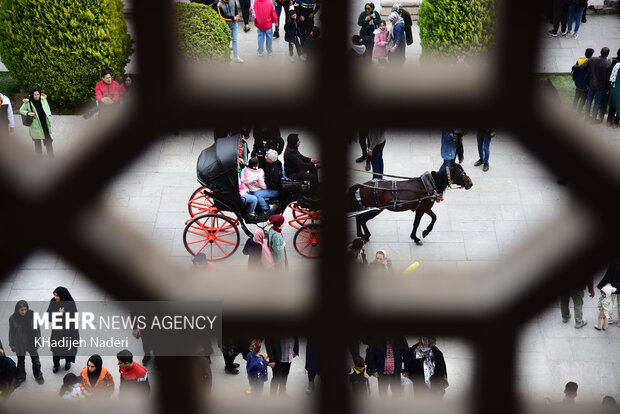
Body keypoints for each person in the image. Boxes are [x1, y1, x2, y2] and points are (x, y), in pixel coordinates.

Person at [573, 47, 612, 123]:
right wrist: (608, 88)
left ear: (600, 52)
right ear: (607, 54)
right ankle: (593, 119)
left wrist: (574, 67)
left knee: (589, 101)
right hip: (600, 88)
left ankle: (587, 117)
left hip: (591, 85)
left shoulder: (592, 59)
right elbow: (608, 78)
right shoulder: (608, 64)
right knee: (597, 103)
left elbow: (582, 67)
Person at [8, 300, 44, 386]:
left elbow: (37, 329)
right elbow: (11, 332)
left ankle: (38, 375)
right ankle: (21, 377)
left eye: (25, 309)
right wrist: (12, 344)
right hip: (20, 343)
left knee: (36, 361)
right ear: (17, 310)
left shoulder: (33, 315)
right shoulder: (12, 318)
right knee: (20, 361)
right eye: (21, 310)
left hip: (31, 341)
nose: (24, 312)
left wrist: (38, 341)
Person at [46, 287, 79, 372]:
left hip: (69, 331)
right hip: (57, 331)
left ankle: (68, 362)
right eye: (55, 295)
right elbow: (49, 317)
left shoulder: (70, 303)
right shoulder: (53, 302)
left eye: (57, 295)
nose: (55, 297)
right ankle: (56, 364)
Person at [19, 87, 54, 158]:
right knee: (37, 141)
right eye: (35, 95)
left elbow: (48, 108)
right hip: (35, 125)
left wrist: (49, 116)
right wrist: (28, 113)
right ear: (32, 95)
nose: (37, 96)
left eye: (38, 94)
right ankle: (38, 155)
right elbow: (21, 110)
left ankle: (51, 154)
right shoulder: (28, 102)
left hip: (44, 122)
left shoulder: (43, 100)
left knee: (48, 139)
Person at [597, 260, 620, 325]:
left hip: (612, 286)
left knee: (610, 302)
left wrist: (601, 284)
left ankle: (609, 318)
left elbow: (608, 274)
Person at [572, 48, 594, 113]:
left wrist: (575, 80)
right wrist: (587, 85)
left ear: (585, 53)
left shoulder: (579, 60)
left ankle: (572, 110)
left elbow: (575, 71)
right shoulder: (589, 63)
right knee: (583, 99)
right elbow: (587, 75)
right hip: (584, 85)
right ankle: (578, 112)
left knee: (576, 97)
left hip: (577, 82)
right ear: (591, 55)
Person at [607, 57, 620, 128]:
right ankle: (615, 123)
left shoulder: (617, 65)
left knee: (612, 105)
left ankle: (609, 121)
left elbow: (611, 78)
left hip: (614, 89)